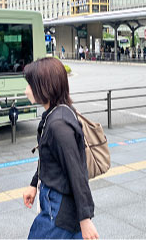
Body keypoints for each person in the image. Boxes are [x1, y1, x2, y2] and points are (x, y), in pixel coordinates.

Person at [23, 58, 98, 239]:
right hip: (57, 201)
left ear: (44, 87)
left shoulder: (58, 125)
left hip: (58, 207)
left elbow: (77, 172)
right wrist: (34, 184)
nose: (26, 90)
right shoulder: (58, 111)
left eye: (30, 85)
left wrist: (85, 219)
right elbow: (49, 157)